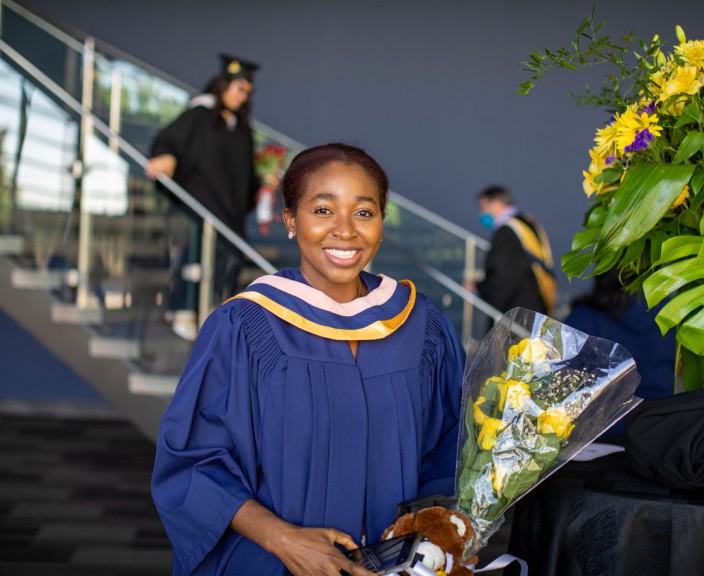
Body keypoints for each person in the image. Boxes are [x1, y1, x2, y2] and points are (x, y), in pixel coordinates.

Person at [150, 143, 466, 575]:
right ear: (290, 220)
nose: (345, 230)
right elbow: (192, 462)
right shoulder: (244, 326)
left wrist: (442, 538)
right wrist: (282, 540)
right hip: (272, 563)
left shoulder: (421, 325)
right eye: (322, 211)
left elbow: (451, 450)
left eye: (363, 212)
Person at [145, 54, 261, 339]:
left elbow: (246, 174)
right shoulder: (199, 115)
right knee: (197, 257)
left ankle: (216, 316)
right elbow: (170, 139)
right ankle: (184, 309)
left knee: (228, 260)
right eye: (237, 88)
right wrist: (166, 156)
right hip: (201, 205)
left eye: (246, 91)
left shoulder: (241, 129)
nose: (241, 96)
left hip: (229, 209)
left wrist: (262, 182)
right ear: (222, 85)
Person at [564, 267, 675, 436]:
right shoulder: (672, 314)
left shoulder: (583, 318)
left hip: (599, 437)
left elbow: (562, 389)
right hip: (661, 432)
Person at [471, 185, 556, 325]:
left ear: (496, 203)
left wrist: (478, 287)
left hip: (518, 313)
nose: (481, 213)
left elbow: (503, 277)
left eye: (483, 207)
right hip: (537, 304)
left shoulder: (506, 232)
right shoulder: (528, 223)